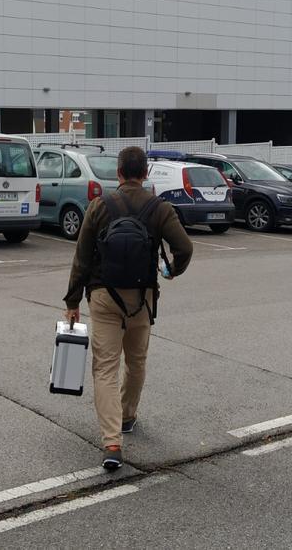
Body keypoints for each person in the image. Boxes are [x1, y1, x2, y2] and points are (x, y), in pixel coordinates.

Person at [64, 147, 193, 470]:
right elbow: (185, 248)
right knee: (135, 362)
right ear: (145, 174)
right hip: (142, 299)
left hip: (104, 296)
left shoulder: (99, 206)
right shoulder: (159, 208)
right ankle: (128, 416)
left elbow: (81, 258)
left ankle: (111, 442)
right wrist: (172, 270)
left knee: (105, 368)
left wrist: (72, 302)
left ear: (118, 173)